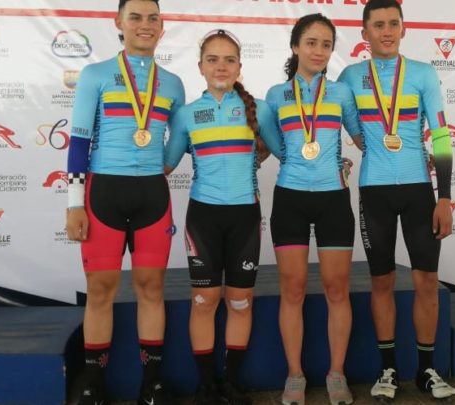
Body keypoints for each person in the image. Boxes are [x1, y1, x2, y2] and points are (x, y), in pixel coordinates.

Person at [337, 0, 455, 401]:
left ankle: (427, 370)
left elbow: (440, 136)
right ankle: (387, 369)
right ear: (365, 33)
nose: (386, 31)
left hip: (418, 191)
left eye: (393, 24)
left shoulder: (423, 74)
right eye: (378, 25)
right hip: (374, 192)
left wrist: (445, 198)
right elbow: (352, 124)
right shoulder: (351, 76)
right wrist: (366, 144)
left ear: (403, 29)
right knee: (381, 281)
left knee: (426, 281)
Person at [65, 1, 185, 404]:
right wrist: (73, 203)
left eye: (153, 18)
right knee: (101, 289)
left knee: (151, 288)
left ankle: (151, 383)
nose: (145, 25)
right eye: (136, 17)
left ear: (162, 26)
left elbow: (181, 137)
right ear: (119, 23)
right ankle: (93, 384)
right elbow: (79, 142)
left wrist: (162, 165)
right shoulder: (95, 74)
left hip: (152, 193)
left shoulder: (171, 83)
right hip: (103, 194)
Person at [164, 29, 282, 405]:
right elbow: (165, 165)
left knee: (240, 300)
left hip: (245, 215)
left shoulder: (259, 108)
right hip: (203, 215)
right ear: (200, 67)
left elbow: (286, 151)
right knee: (203, 299)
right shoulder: (185, 115)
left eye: (229, 59)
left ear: (239, 67)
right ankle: (206, 385)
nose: (221, 66)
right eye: (212, 59)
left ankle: (231, 382)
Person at [265, 13, 361, 405]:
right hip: (290, 198)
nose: (319, 51)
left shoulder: (341, 94)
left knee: (338, 289)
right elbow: (273, 145)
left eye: (326, 44)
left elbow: (360, 135)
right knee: (294, 289)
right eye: (311, 43)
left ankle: (336, 373)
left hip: (333, 199)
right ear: (295, 46)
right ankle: (295, 375)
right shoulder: (275, 94)